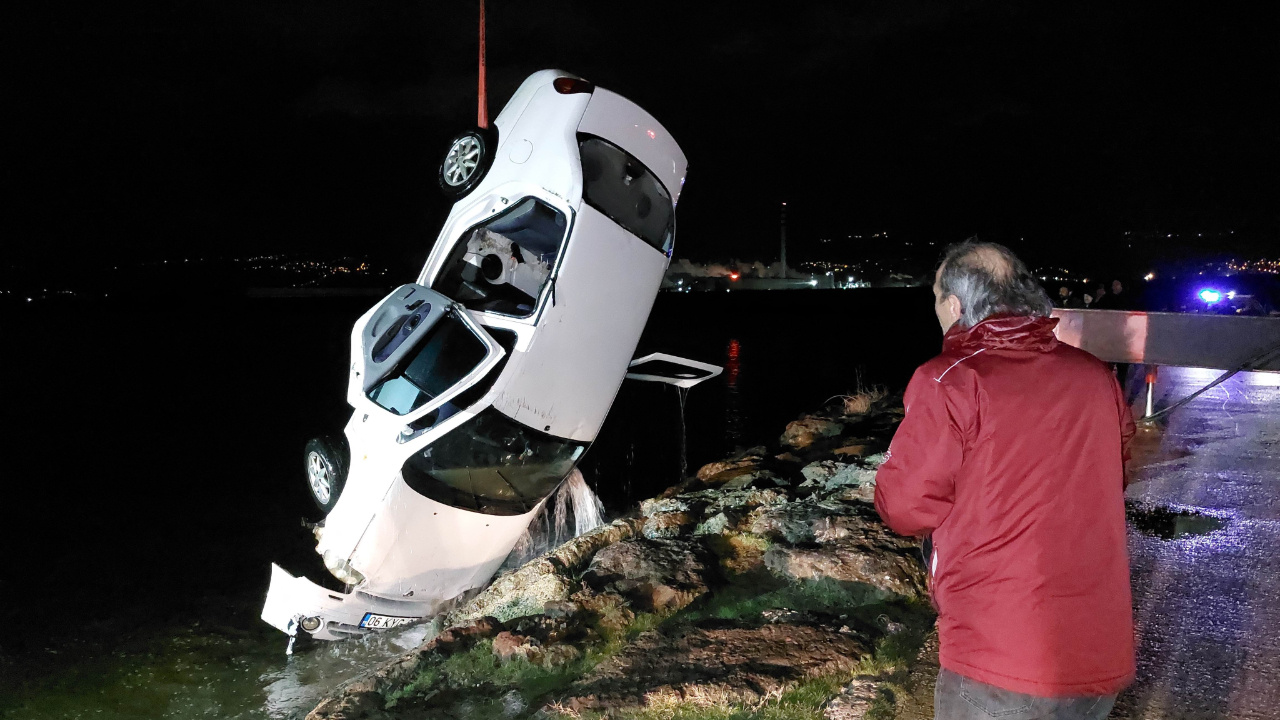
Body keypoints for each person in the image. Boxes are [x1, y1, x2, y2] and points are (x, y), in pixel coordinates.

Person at [874, 240, 1135, 719]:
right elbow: (1114, 469)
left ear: (954, 305)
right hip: (1098, 650)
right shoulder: (1094, 375)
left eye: (934, 299)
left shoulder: (949, 379)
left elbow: (906, 508)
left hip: (998, 658)